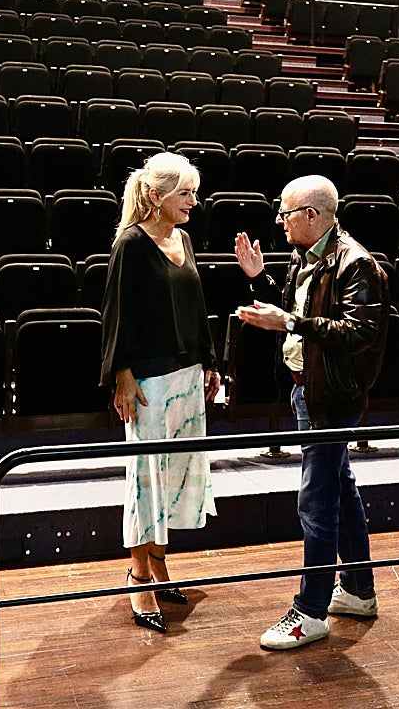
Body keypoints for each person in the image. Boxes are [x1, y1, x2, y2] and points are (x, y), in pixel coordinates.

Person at [234, 174, 390, 651]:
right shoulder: (308, 254)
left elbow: (354, 332)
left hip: (332, 397)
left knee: (316, 501)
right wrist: (260, 279)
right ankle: (359, 592)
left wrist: (292, 322)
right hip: (310, 388)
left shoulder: (357, 264)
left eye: (285, 212)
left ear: (311, 215)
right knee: (339, 488)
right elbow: (295, 311)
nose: (279, 220)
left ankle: (311, 610)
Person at [101, 152, 221, 634]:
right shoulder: (130, 244)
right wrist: (121, 375)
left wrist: (211, 363)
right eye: (185, 193)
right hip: (149, 380)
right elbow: (117, 313)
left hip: (188, 375)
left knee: (174, 479)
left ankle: (160, 563)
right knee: (145, 481)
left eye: (193, 192)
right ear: (156, 195)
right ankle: (138, 575)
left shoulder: (184, 239)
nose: (194, 201)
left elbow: (197, 308)